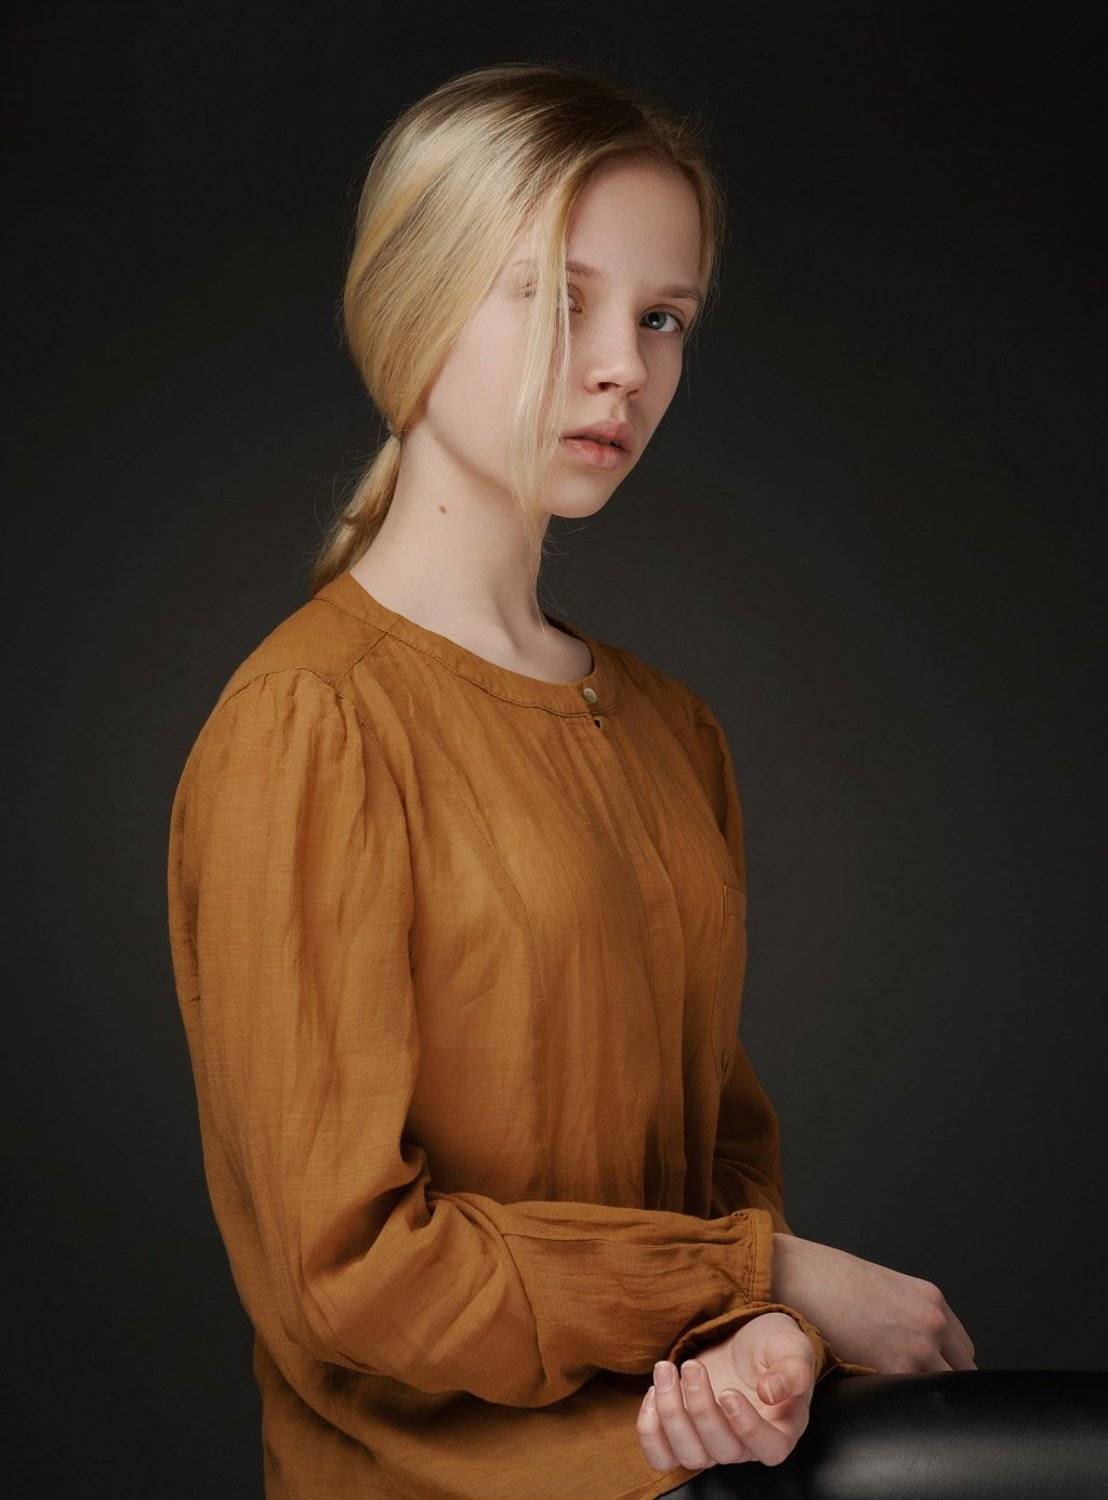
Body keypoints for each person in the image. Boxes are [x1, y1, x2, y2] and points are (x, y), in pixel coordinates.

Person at [166, 62, 975, 1500]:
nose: (624, 369)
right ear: (415, 305)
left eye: (664, 318)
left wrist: (765, 1341)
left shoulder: (674, 731)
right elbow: (344, 1273)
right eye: (558, 299)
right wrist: (769, 1280)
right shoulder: (310, 725)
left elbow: (725, 1157)